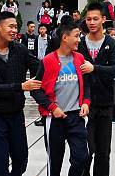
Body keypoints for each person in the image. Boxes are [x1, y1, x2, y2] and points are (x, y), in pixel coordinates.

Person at [0, 11, 41, 176]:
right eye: (11, 26)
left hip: (16, 113)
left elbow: (39, 66)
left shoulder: (19, 50)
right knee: (0, 162)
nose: (15, 30)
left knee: (21, 159)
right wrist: (21, 86)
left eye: (16, 27)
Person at [31, 23, 91, 176]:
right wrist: (52, 107)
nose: (79, 39)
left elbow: (87, 83)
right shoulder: (47, 61)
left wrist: (85, 102)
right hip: (55, 118)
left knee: (82, 158)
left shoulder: (79, 58)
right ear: (65, 38)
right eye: (76, 36)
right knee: (55, 162)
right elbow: (36, 90)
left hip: (76, 117)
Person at [77, 2, 115, 176]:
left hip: (104, 103)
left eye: (95, 18)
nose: (92, 22)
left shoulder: (113, 43)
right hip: (82, 104)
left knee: (103, 151)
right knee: (85, 150)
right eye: (88, 19)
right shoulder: (79, 44)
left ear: (104, 19)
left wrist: (94, 68)